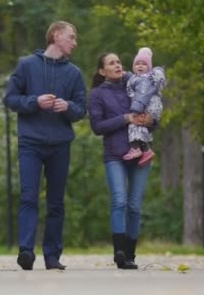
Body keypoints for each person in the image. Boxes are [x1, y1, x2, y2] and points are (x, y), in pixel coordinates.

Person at [3, 21, 87, 271]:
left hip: (60, 145)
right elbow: (10, 98)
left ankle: (52, 256)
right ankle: (26, 252)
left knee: (56, 202)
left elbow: (82, 109)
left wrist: (68, 107)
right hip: (30, 142)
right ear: (56, 35)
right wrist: (34, 101)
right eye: (72, 36)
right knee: (29, 197)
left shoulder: (74, 73)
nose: (75, 42)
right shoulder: (26, 65)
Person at [88, 52, 156, 270]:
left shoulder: (135, 85)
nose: (117, 65)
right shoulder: (97, 94)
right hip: (115, 155)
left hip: (141, 153)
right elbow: (97, 127)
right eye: (111, 63)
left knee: (135, 206)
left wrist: (151, 120)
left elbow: (153, 117)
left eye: (118, 61)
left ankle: (130, 254)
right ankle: (118, 251)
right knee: (119, 201)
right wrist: (125, 118)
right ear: (102, 71)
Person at [122, 47, 165, 165]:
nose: (140, 66)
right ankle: (146, 150)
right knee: (142, 126)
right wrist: (126, 76)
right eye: (137, 64)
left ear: (149, 68)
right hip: (151, 107)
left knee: (135, 123)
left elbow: (142, 94)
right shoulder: (142, 78)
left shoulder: (145, 80)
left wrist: (137, 107)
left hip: (147, 106)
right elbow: (133, 79)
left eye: (144, 64)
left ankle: (137, 148)